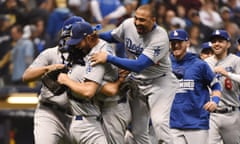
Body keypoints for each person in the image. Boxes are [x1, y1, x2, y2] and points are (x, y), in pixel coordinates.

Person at [90, 4, 179, 144]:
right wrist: (95, 36)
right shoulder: (128, 25)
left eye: (142, 20)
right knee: (138, 131)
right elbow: (113, 36)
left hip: (160, 83)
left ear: (153, 20)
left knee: (159, 122)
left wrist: (109, 58)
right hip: (137, 82)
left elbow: (139, 66)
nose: (137, 23)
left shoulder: (160, 37)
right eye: (136, 18)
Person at [57, 21, 131, 144]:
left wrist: (66, 80)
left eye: (78, 42)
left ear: (89, 38)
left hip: (114, 107)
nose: (76, 46)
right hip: (105, 107)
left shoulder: (97, 55)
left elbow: (99, 91)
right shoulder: (97, 46)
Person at [22, 16, 85, 144]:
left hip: (78, 116)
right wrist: (48, 68)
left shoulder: (89, 58)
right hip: (50, 112)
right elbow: (26, 76)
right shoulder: (51, 53)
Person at [168, 29, 222, 144]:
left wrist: (215, 101)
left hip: (196, 123)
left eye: (179, 42)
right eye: (173, 42)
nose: (176, 45)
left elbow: (216, 85)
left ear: (187, 43)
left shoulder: (200, 65)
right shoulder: (165, 64)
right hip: (172, 123)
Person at [204, 29, 240, 144]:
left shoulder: (235, 60)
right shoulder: (206, 62)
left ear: (228, 44)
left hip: (231, 113)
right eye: (214, 41)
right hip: (211, 115)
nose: (216, 44)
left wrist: (227, 74)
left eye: (220, 41)